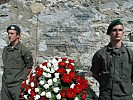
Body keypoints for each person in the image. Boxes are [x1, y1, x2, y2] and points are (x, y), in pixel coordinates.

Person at [90, 19, 133, 100]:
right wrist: (104, 82)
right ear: (109, 33)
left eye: (120, 30)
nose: (117, 33)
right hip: (107, 96)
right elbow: (94, 73)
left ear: (123, 33)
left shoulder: (130, 54)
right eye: (114, 30)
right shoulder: (100, 54)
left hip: (125, 97)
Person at [1, 25, 34, 100]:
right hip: (5, 84)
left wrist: (21, 78)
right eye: (8, 33)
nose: (9, 36)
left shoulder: (24, 50)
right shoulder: (6, 50)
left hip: (16, 85)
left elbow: (29, 66)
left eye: (12, 33)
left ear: (18, 35)